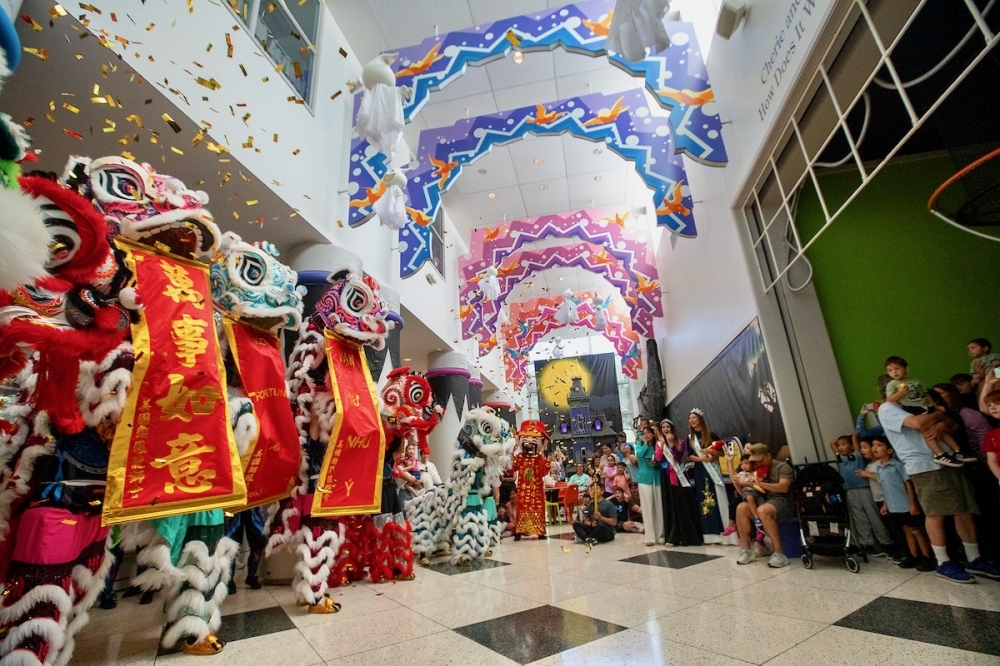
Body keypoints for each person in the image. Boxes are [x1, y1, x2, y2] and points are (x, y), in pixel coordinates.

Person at [877, 400, 1000, 583]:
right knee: (936, 513)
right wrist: (939, 412)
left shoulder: (918, 403)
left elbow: (953, 423)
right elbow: (919, 423)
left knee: (964, 510)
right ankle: (943, 562)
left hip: (951, 461)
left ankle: (974, 558)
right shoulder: (888, 409)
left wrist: (942, 421)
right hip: (926, 466)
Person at [884, 356, 972, 467]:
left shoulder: (915, 380)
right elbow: (890, 399)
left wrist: (935, 406)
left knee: (941, 430)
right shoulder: (892, 384)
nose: (894, 372)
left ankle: (957, 451)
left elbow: (926, 395)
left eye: (897, 368)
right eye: (890, 370)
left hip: (926, 406)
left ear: (906, 369)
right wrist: (901, 393)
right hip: (912, 407)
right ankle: (939, 454)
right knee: (926, 430)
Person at [870, 436, 934, 571]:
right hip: (893, 506)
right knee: (906, 529)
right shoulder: (879, 468)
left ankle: (927, 557)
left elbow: (907, 483)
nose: (874, 448)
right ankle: (913, 556)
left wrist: (913, 502)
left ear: (890, 450)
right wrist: (885, 504)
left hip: (905, 504)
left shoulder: (897, 465)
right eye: (873, 445)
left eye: (879, 445)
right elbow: (885, 488)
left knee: (916, 530)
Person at [828, 435, 895, 557]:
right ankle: (867, 544)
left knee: (873, 516)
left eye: (844, 444)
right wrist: (839, 442)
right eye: (839, 445)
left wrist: (852, 437)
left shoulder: (857, 457)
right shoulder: (840, 459)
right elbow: (832, 443)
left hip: (864, 489)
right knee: (860, 518)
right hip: (849, 491)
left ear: (853, 446)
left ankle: (886, 543)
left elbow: (854, 438)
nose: (841, 447)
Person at [734, 443, 795, 568]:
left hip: (782, 501)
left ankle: (779, 553)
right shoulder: (756, 470)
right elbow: (745, 493)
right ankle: (746, 550)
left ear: (768, 455)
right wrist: (745, 484)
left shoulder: (782, 467)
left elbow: (784, 488)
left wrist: (761, 484)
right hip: (763, 500)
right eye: (755, 461)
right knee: (741, 507)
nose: (758, 463)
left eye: (760, 460)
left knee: (763, 510)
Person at [687, 408, 733, 542]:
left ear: (700, 418)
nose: (691, 420)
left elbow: (722, 453)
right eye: (690, 419)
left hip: (713, 469)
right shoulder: (690, 438)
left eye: (693, 417)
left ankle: (726, 532)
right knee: (705, 500)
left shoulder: (712, 435)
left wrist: (711, 453)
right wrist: (703, 459)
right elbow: (689, 456)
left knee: (718, 497)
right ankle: (710, 535)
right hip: (700, 470)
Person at [659, 418, 702, 547]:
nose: (666, 429)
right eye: (663, 427)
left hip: (679, 476)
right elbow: (659, 458)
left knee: (682, 505)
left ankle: (687, 535)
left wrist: (672, 444)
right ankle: (673, 535)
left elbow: (677, 457)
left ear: (672, 428)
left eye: (668, 427)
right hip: (667, 477)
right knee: (671, 506)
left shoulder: (680, 442)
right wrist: (662, 445)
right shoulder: (660, 444)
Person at [511, 420, 550, 541]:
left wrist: (544, 457)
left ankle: (540, 532)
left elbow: (544, 472)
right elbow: (513, 467)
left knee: (538, 509)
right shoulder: (520, 457)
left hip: (536, 490)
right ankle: (519, 531)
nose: (529, 441)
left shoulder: (539, 458)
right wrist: (512, 453)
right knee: (522, 509)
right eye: (525, 437)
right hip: (523, 489)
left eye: (534, 438)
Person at [635, 425, 665, 546]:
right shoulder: (640, 445)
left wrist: (656, 463)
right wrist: (645, 444)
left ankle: (660, 535)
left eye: (649, 433)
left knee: (658, 506)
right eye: (644, 433)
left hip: (656, 477)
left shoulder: (657, 445)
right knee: (647, 508)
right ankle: (650, 536)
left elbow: (661, 460)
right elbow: (640, 455)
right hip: (644, 478)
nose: (646, 435)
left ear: (653, 434)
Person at [733, 457, 767, 544]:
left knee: (762, 504)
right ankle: (757, 519)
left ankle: (762, 525)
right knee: (750, 498)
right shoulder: (741, 474)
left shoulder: (755, 473)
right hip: (747, 491)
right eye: (742, 464)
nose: (744, 466)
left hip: (757, 491)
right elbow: (735, 479)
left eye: (746, 463)